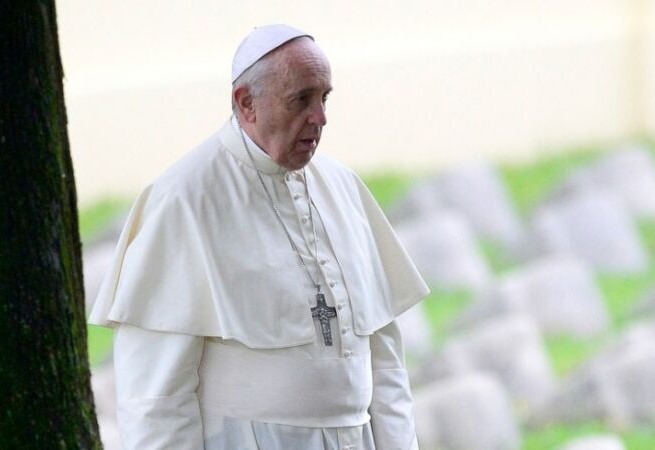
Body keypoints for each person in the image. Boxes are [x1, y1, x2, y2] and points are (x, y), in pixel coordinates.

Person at [88, 24, 430, 450]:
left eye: (324, 98)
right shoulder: (183, 201)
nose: (320, 118)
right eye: (301, 100)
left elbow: (386, 362)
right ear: (246, 103)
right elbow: (155, 396)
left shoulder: (344, 188)